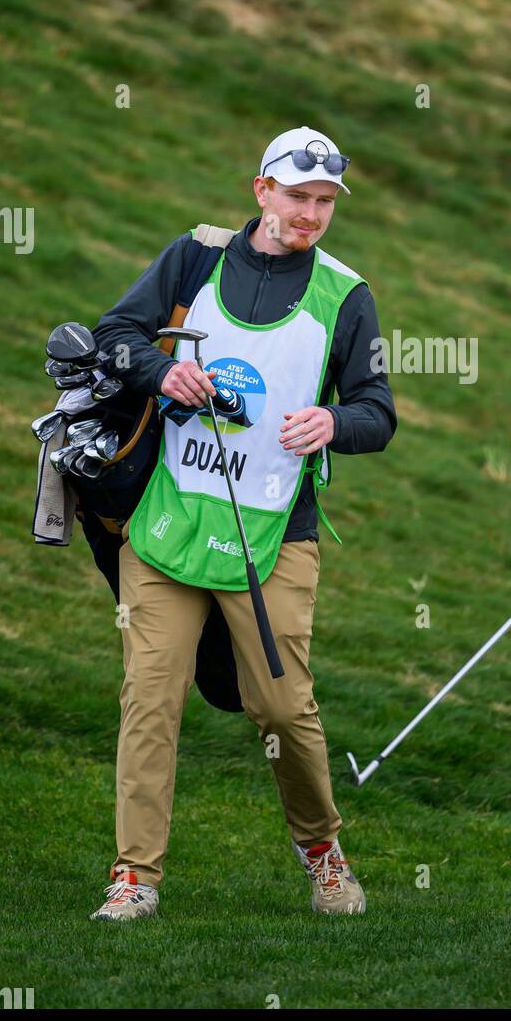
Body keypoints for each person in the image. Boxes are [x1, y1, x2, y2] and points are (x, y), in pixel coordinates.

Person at [89, 126, 396, 921]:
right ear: (262, 189)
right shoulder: (194, 258)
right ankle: (135, 877)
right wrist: (165, 371)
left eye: (326, 201)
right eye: (299, 196)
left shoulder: (345, 294)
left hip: (275, 535)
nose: (312, 214)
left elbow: (378, 414)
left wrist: (334, 422)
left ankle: (322, 851)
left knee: (283, 708)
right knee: (149, 699)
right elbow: (112, 338)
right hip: (166, 526)